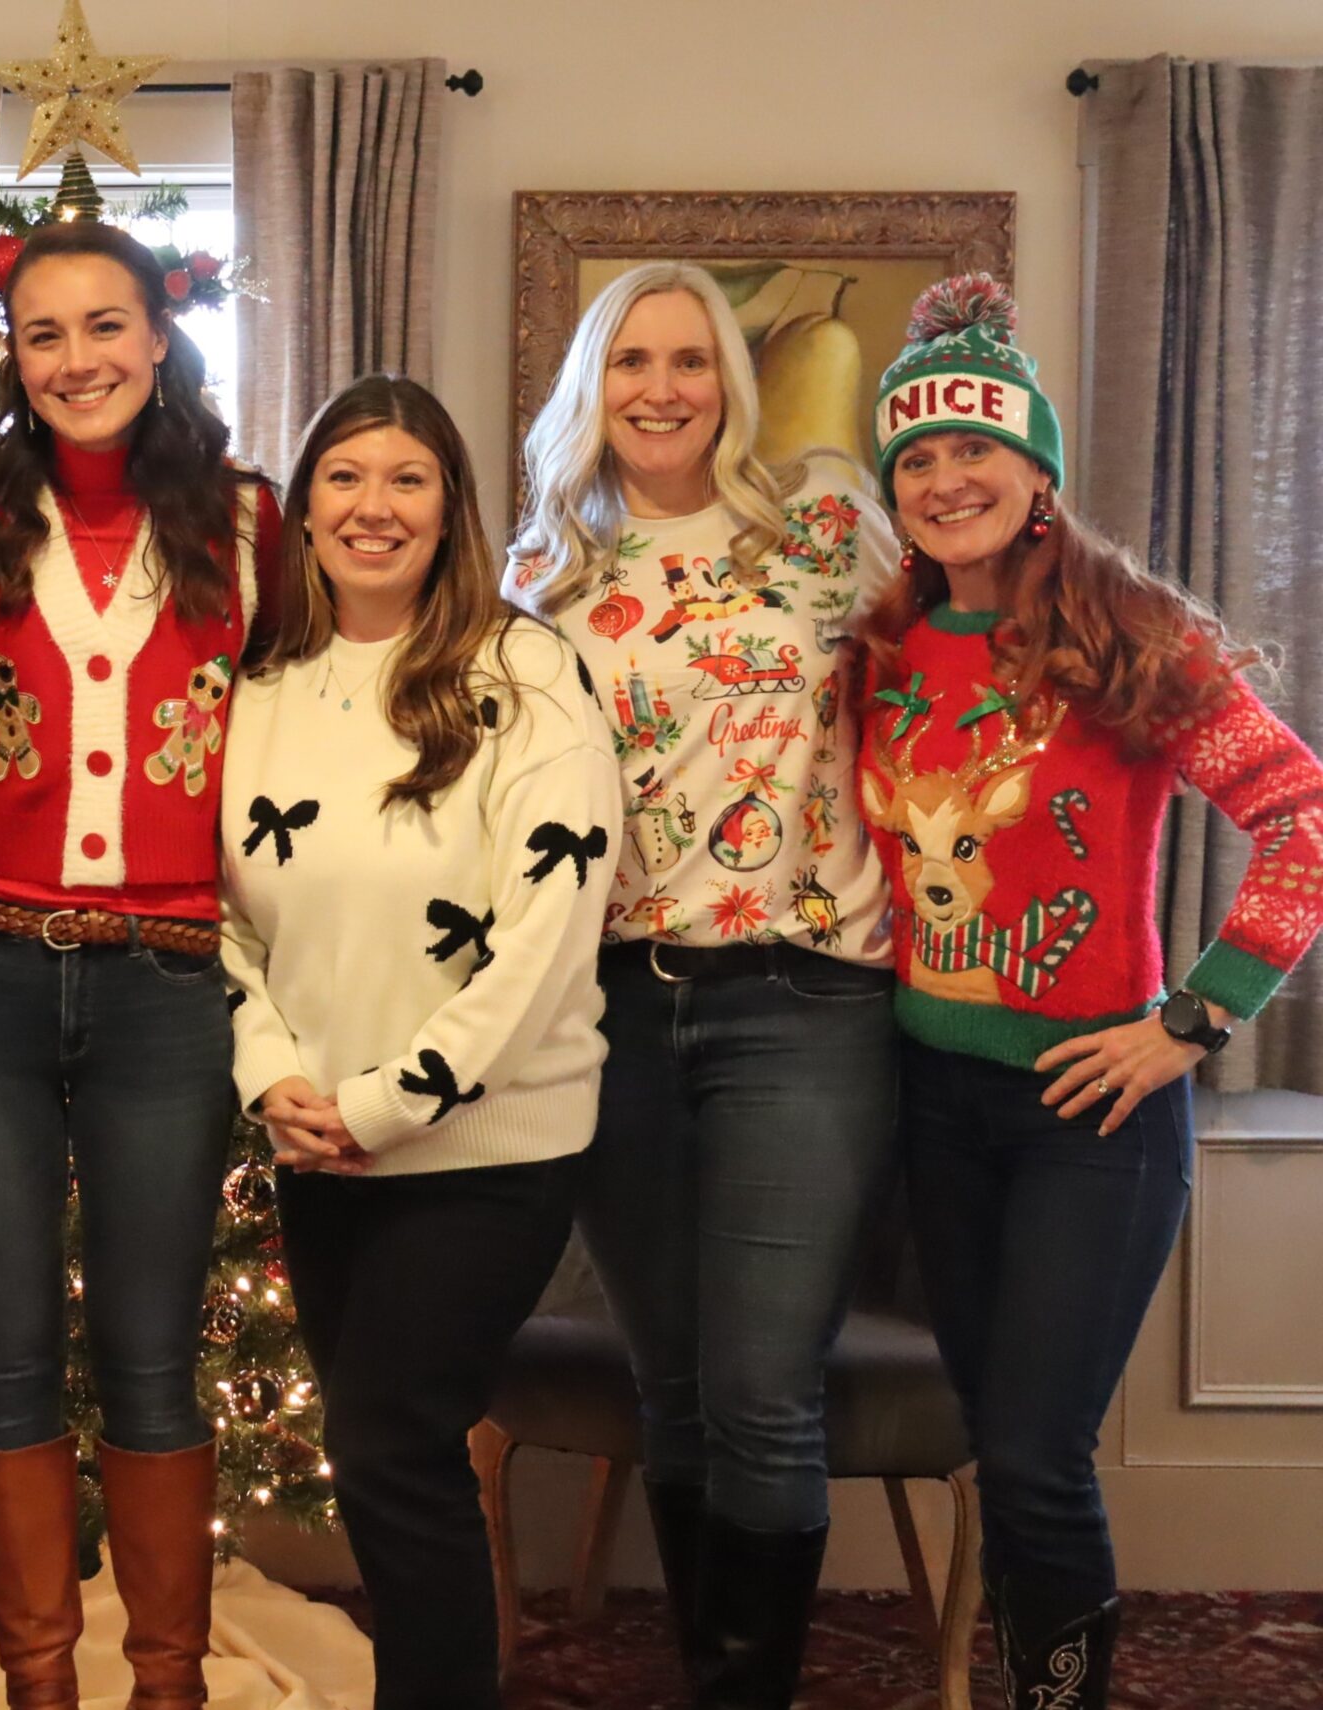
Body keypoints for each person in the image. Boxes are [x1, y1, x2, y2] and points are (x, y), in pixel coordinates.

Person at [852, 276, 1323, 1710]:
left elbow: (1302, 813)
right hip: (929, 1100)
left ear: (1037, 469)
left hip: (1089, 1116)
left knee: (1041, 1446)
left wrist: (1194, 1020)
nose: (946, 479)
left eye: (975, 448)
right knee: (996, 1433)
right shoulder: (876, 654)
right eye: (917, 458)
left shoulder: (1135, 635)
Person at [508, 260, 901, 1707]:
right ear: (590, 389)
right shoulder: (544, 573)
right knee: (669, 1384)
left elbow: (970, 679)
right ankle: (710, 1677)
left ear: (731, 383)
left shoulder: (822, 530)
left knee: (759, 1391)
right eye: (631, 362)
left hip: (802, 1001)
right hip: (608, 1005)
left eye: (690, 360)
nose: (661, 388)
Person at [0, 216, 279, 1710]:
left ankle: (166, 1686)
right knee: (4, 1355)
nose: (77, 360)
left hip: (167, 982)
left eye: (105, 326)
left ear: (161, 331)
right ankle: (40, 1687)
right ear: (12, 351)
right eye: (44, 334)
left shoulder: (250, 522)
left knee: (150, 1354)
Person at [220, 376, 617, 1709]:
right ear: (305, 505)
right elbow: (210, 912)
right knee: (385, 1451)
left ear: (451, 507)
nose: (371, 506)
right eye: (344, 476)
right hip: (315, 1139)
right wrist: (273, 1075)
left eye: (407, 479)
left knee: (391, 1440)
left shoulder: (527, 674)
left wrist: (389, 1100)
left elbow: (549, 929)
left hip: (485, 1144)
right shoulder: (259, 683)